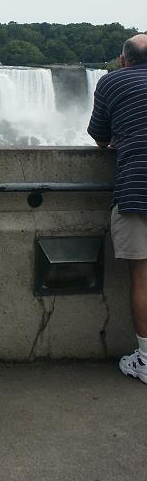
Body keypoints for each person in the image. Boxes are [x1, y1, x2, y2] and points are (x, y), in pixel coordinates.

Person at [88, 33, 147, 384]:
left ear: (123, 60)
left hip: (138, 186)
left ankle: (145, 359)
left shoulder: (113, 81)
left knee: (142, 277)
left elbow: (99, 135)